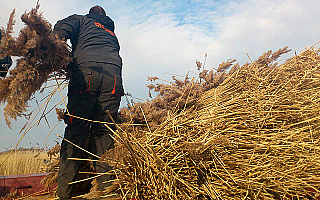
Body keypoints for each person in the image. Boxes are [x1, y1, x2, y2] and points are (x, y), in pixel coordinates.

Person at [53, 5, 124, 200]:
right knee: (103, 132)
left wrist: (55, 51)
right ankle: (107, 191)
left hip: (87, 75)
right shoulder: (111, 33)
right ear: (105, 17)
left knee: (76, 129)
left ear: (91, 14)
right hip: (114, 80)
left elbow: (59, 30)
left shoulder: (81, 20)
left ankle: (64, 194)